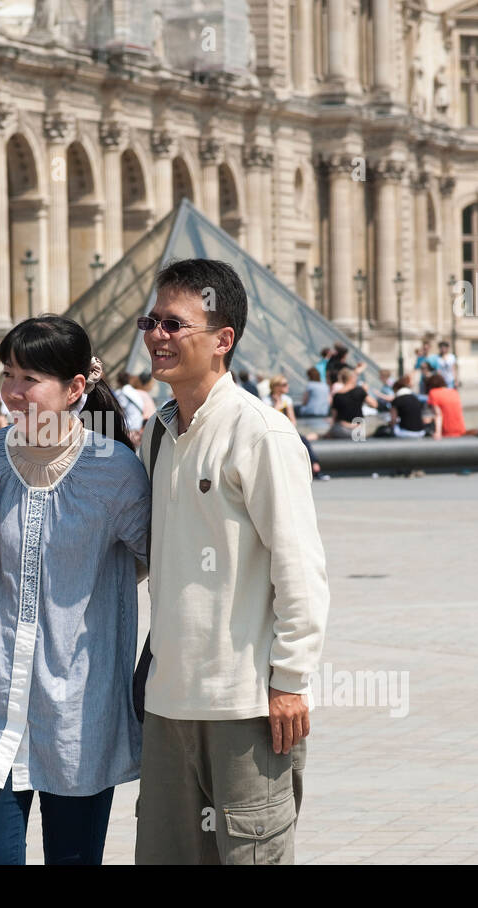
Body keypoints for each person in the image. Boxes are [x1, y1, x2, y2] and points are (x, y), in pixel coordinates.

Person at [0, 315, 148, 865]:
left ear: (75, 389)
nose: (13, 393)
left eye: (30, 380)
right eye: (9, 375)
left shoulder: (114, 471)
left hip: (79, 711)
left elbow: (153, 562)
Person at [133, 258, 328, 866]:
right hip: (167, 702)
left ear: (223, 341)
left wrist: (291, 682)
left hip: (245, 705)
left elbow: (300, 567)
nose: (157, 335)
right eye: (151, 320)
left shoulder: (261, 434)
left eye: (174, 324)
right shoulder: (157, 435)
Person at [424, 373, 478, 444]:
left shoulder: (433, 393)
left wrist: (438, 433)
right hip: (460, 429)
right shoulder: (454, 392)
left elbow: (438, 414)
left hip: (447, 431)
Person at [324, 367, 377, 438]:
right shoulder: (359, 391)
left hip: (341, 429)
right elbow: (374, 404)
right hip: (358, 429)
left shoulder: (337, 395)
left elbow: (334, 417)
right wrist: (365, 393)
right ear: (352, 378)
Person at [388, 373, 430, 439]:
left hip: (405, 432)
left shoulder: (397, 400)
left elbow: (393, 420)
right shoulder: (416, 399)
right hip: (421, 431)